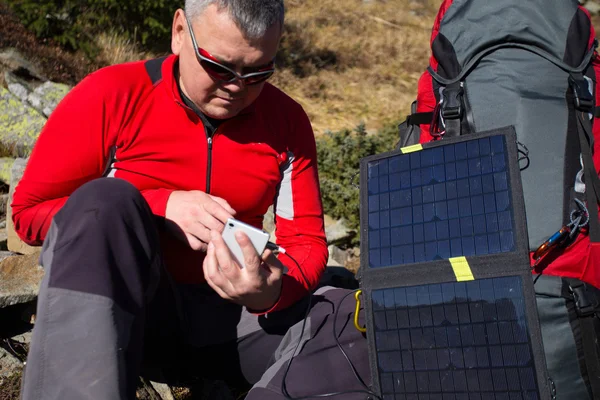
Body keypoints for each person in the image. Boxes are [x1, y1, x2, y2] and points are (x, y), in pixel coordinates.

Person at [12, 1, 373, 399]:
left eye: (258, 72)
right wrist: (159, 206)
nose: (237, 86)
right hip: (124, 317)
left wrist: (270, 292)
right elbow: (29, 215)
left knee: (349, 322)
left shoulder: (286, 121)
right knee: (105, 202)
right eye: (220, 67)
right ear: (180, 31)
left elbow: (306, 241)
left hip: (234, 322)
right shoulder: (111, 94)